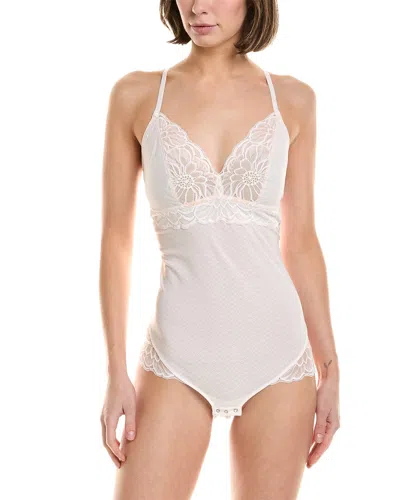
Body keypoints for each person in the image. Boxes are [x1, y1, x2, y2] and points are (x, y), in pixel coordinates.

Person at [99, 0, 340, 498]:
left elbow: (301, 242)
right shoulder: (137, 95)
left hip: (278, 354)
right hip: (176, 354)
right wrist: (115, 370)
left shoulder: (293, 100)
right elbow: (117, 241)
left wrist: (330, 370)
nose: (198, 6)